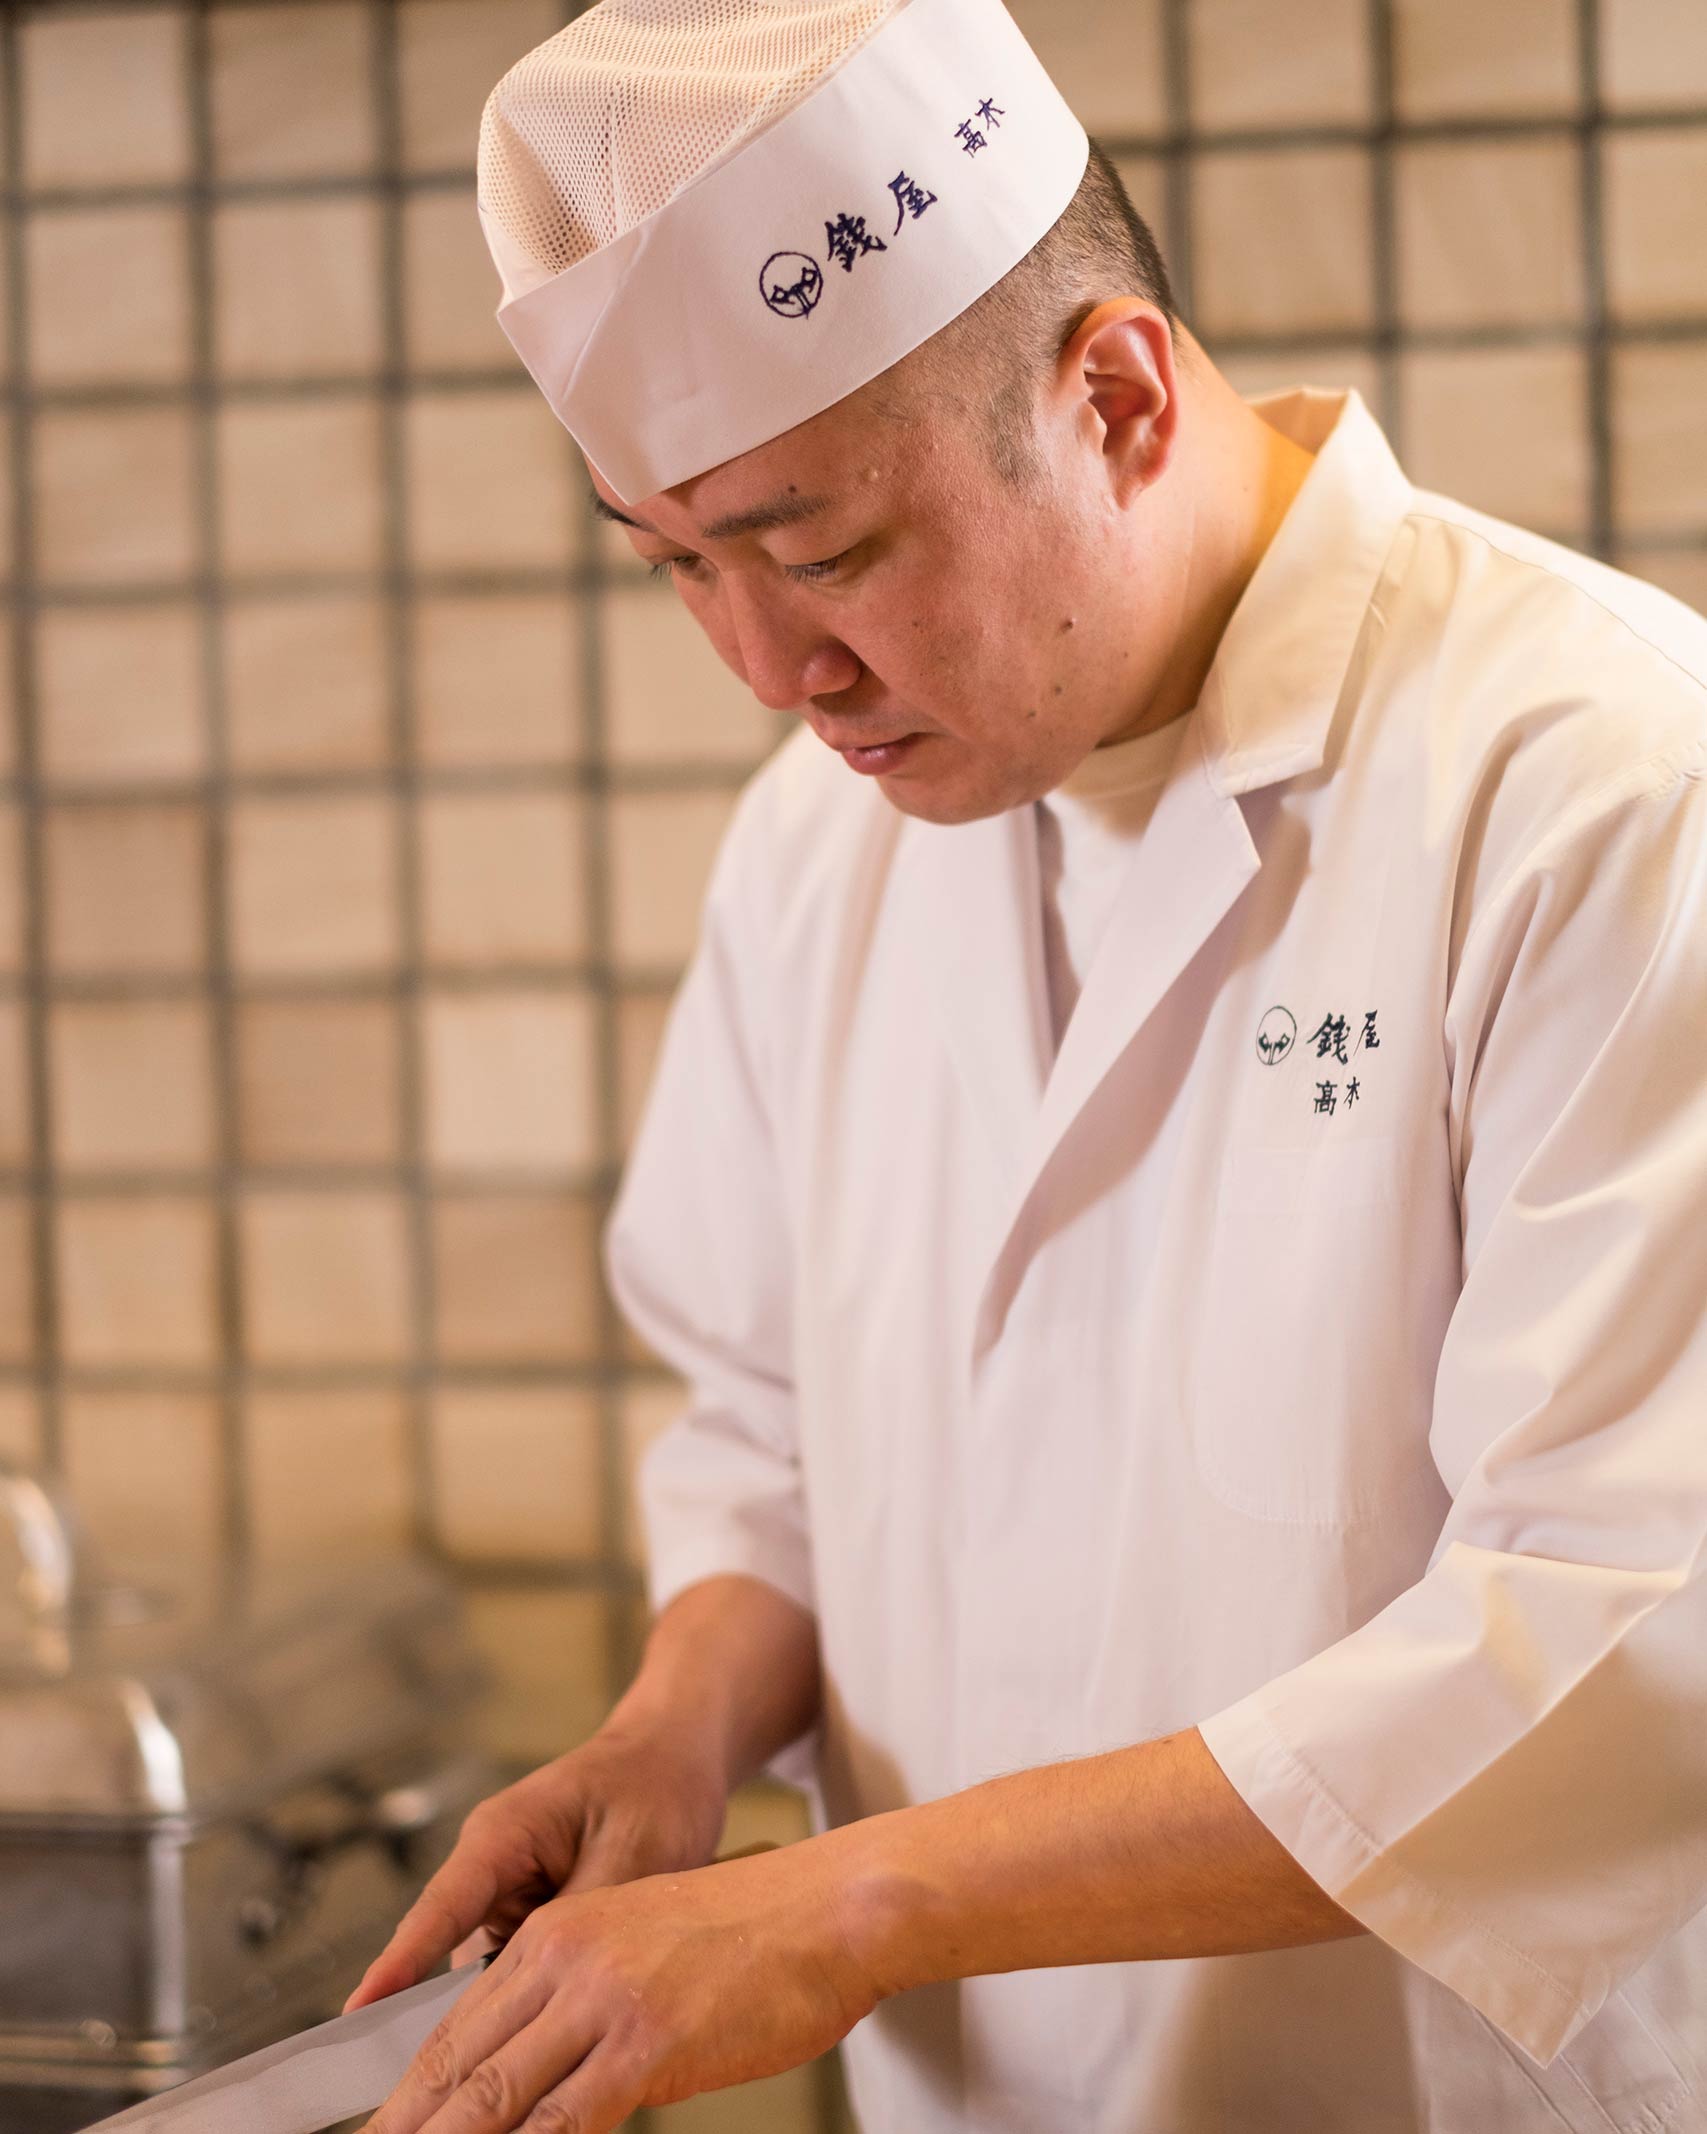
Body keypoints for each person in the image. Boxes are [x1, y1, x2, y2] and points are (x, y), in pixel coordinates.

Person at [350, 1, 1707, 2128]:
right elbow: (764, 1420)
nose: (770, 671)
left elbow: (1623, 1636)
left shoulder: (1605, 788)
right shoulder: (820, 843)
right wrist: (678, 1730)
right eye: (677, 566)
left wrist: (854, 1905)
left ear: (1117, 397)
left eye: (819, 550)